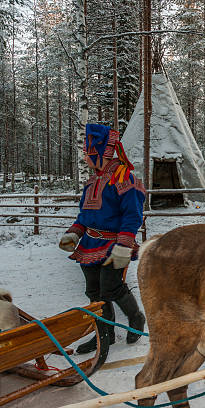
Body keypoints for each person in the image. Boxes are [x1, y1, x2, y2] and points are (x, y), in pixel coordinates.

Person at [59, 124, 146, 354]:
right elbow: (84, 216)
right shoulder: (92, 182)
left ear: (99, 154)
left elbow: (132, 215)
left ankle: (136, 319)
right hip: (89, 245)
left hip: (114, 245)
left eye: (88, 154)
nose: (86, 159)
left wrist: (124, 245)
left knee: (112, 288)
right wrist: (74, 233)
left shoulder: (123, 178)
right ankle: (103, 335)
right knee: (94, 293)